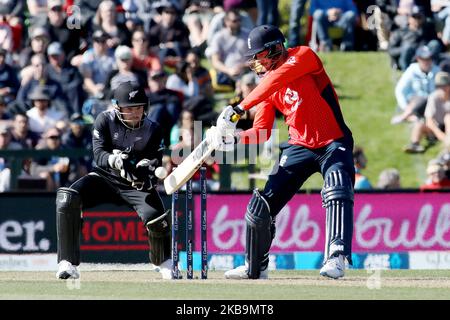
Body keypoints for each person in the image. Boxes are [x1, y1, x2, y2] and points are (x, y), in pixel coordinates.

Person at [207, 25, 355, 279]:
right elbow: (261, 132)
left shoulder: (304, 56)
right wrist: (233, 139)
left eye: (260, 55)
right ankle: (255, 267)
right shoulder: (266, 86)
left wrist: (237, 109)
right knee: (260, 205)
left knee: (337, 186)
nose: (256, 61)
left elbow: (279, 79)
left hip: (333, 141)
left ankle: (337, 256)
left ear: (276, 49)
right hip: (299, 146)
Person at [55, 81, 173, 280]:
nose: (135, 113)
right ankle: (67, 263)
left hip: (135, 184)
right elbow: (98, 154)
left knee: (157, 217)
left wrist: (145, 168)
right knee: (68, 198)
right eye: (129, 108)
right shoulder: (104, 120)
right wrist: (114, 160)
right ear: (118, 107)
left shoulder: (154, 128)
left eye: (139, 107)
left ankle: (164, 262)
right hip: (105, 178)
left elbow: (156, 162)